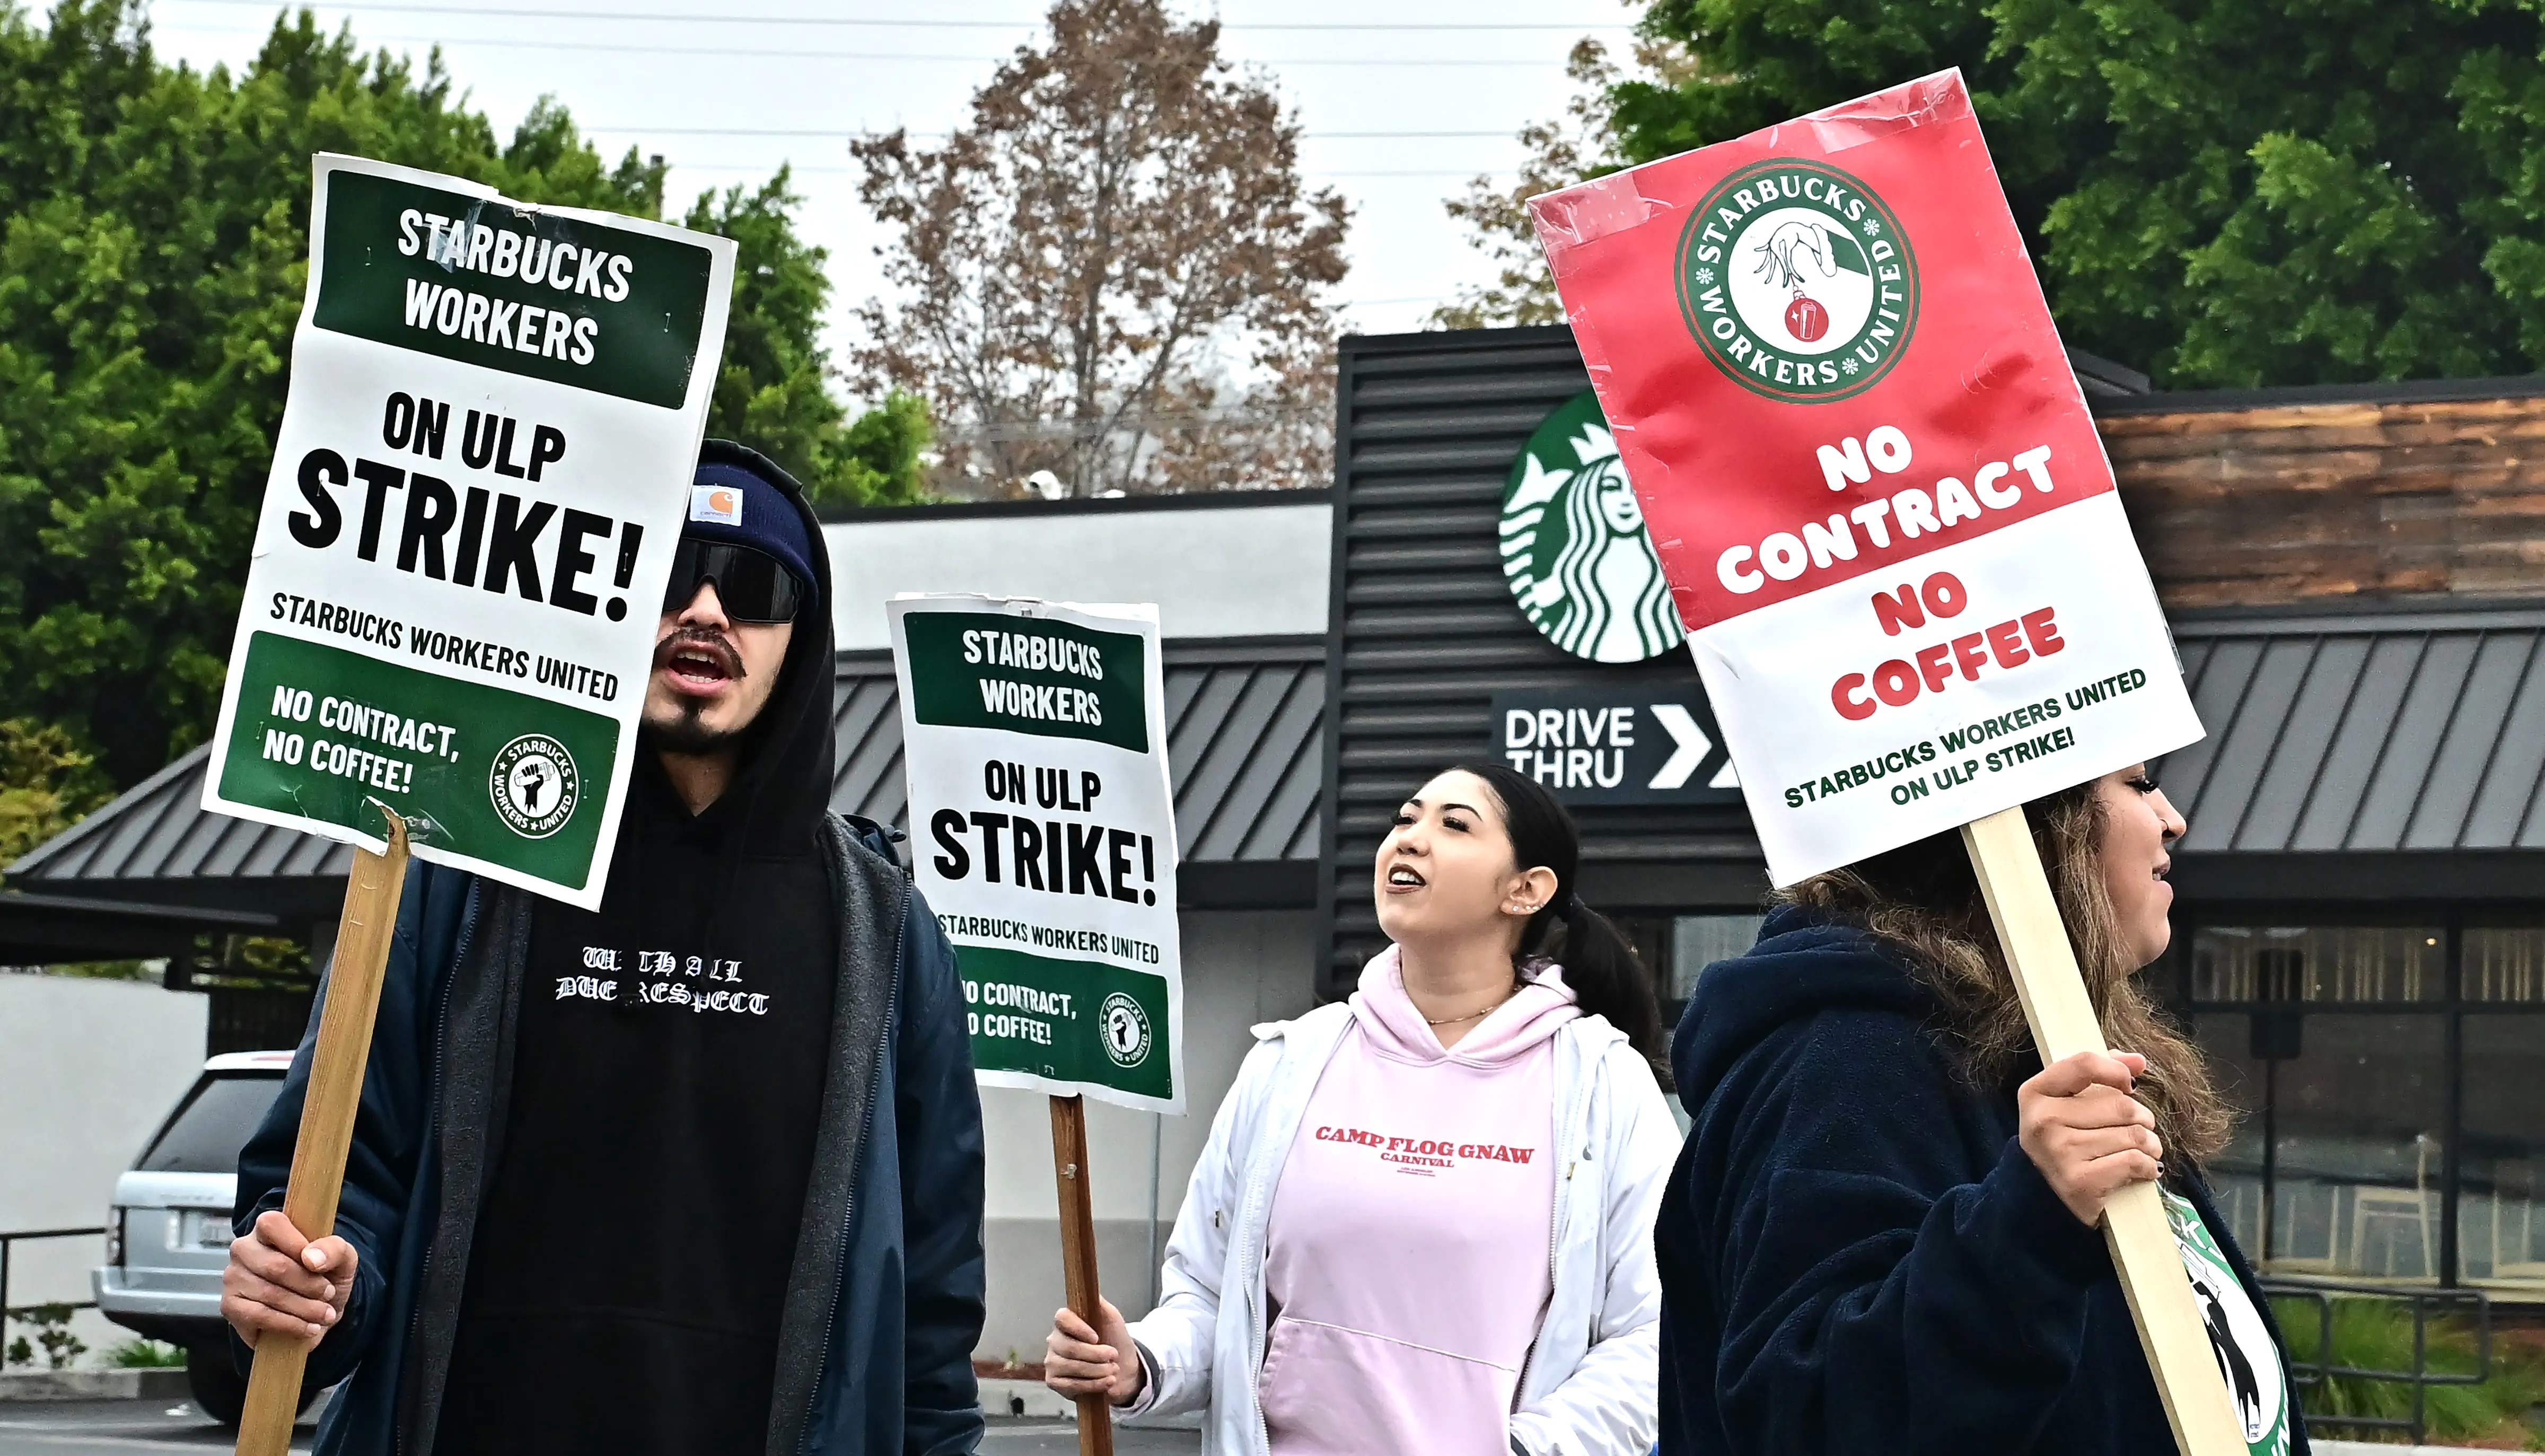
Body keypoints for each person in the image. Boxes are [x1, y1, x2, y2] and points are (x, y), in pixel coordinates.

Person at [219, 441, 987, 1456]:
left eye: (753, 585)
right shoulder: (457, 880)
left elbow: (931, 1291)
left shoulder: (885, 930)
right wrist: (309, 1284)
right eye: (669, 571)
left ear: (799, 639)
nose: (707, 610)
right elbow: (338, 1181)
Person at [1654, 766, 2307, 1455]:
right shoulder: (1851, 1059)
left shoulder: (2046, 1054)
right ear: (2040, 825)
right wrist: (2029, 1228)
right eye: (2140, 784)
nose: (2172, 818)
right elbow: (1814, 1411)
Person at [1043, 762, 1679, 1456]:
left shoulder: (1602, 1087)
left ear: (1526, 889)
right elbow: (1210, 1295)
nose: (1409, 839)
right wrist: (1139, 1359)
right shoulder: (1290, 1063)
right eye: (1406, 819)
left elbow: (1655, 1335)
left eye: (1454, 824)